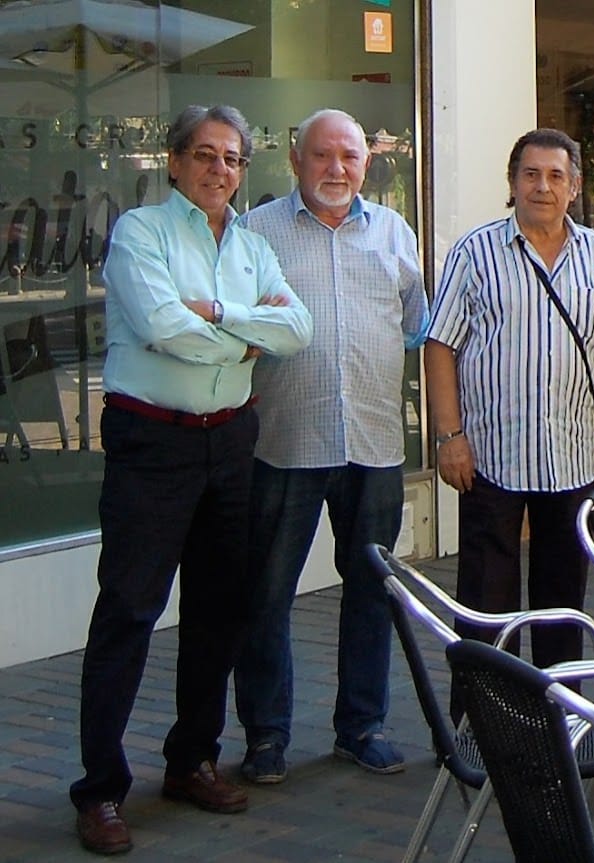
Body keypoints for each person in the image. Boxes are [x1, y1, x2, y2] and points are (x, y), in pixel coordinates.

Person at [70, 104, 313, 855]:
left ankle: (191, 759)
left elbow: (297, 329)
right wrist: (243, 338)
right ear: (175, 163)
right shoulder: (141, 233)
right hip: (153, 442)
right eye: (205, 156)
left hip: (229, 443)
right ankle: (101, 789)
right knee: (130, 610)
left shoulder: (250, 244)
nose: (220, 170)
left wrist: (217, 314)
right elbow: (160, 326)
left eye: (233, 159)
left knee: (219, 611)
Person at [233, 108, 429, 784]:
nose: (336, 169)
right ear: (295, 159)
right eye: (322, 156)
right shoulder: (255, 233)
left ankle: (361, 725)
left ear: (367, 163)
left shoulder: (395, 233)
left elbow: (411, 323)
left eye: (349, 156)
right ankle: (265, 736)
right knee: (265, 595)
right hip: (283, 443)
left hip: (372, 441)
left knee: (371, 590)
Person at [424, 129, 594, 687]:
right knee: (485, 606)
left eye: (555, 176)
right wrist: (449, 437)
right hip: (490, 457)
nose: (542, 187)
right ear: (512, 182)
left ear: (574, 187)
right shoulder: (475, 252)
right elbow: (440, 346)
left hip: (570, 460)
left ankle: (559, 717)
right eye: (530, 174)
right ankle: (483, 724)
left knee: (561, 605)